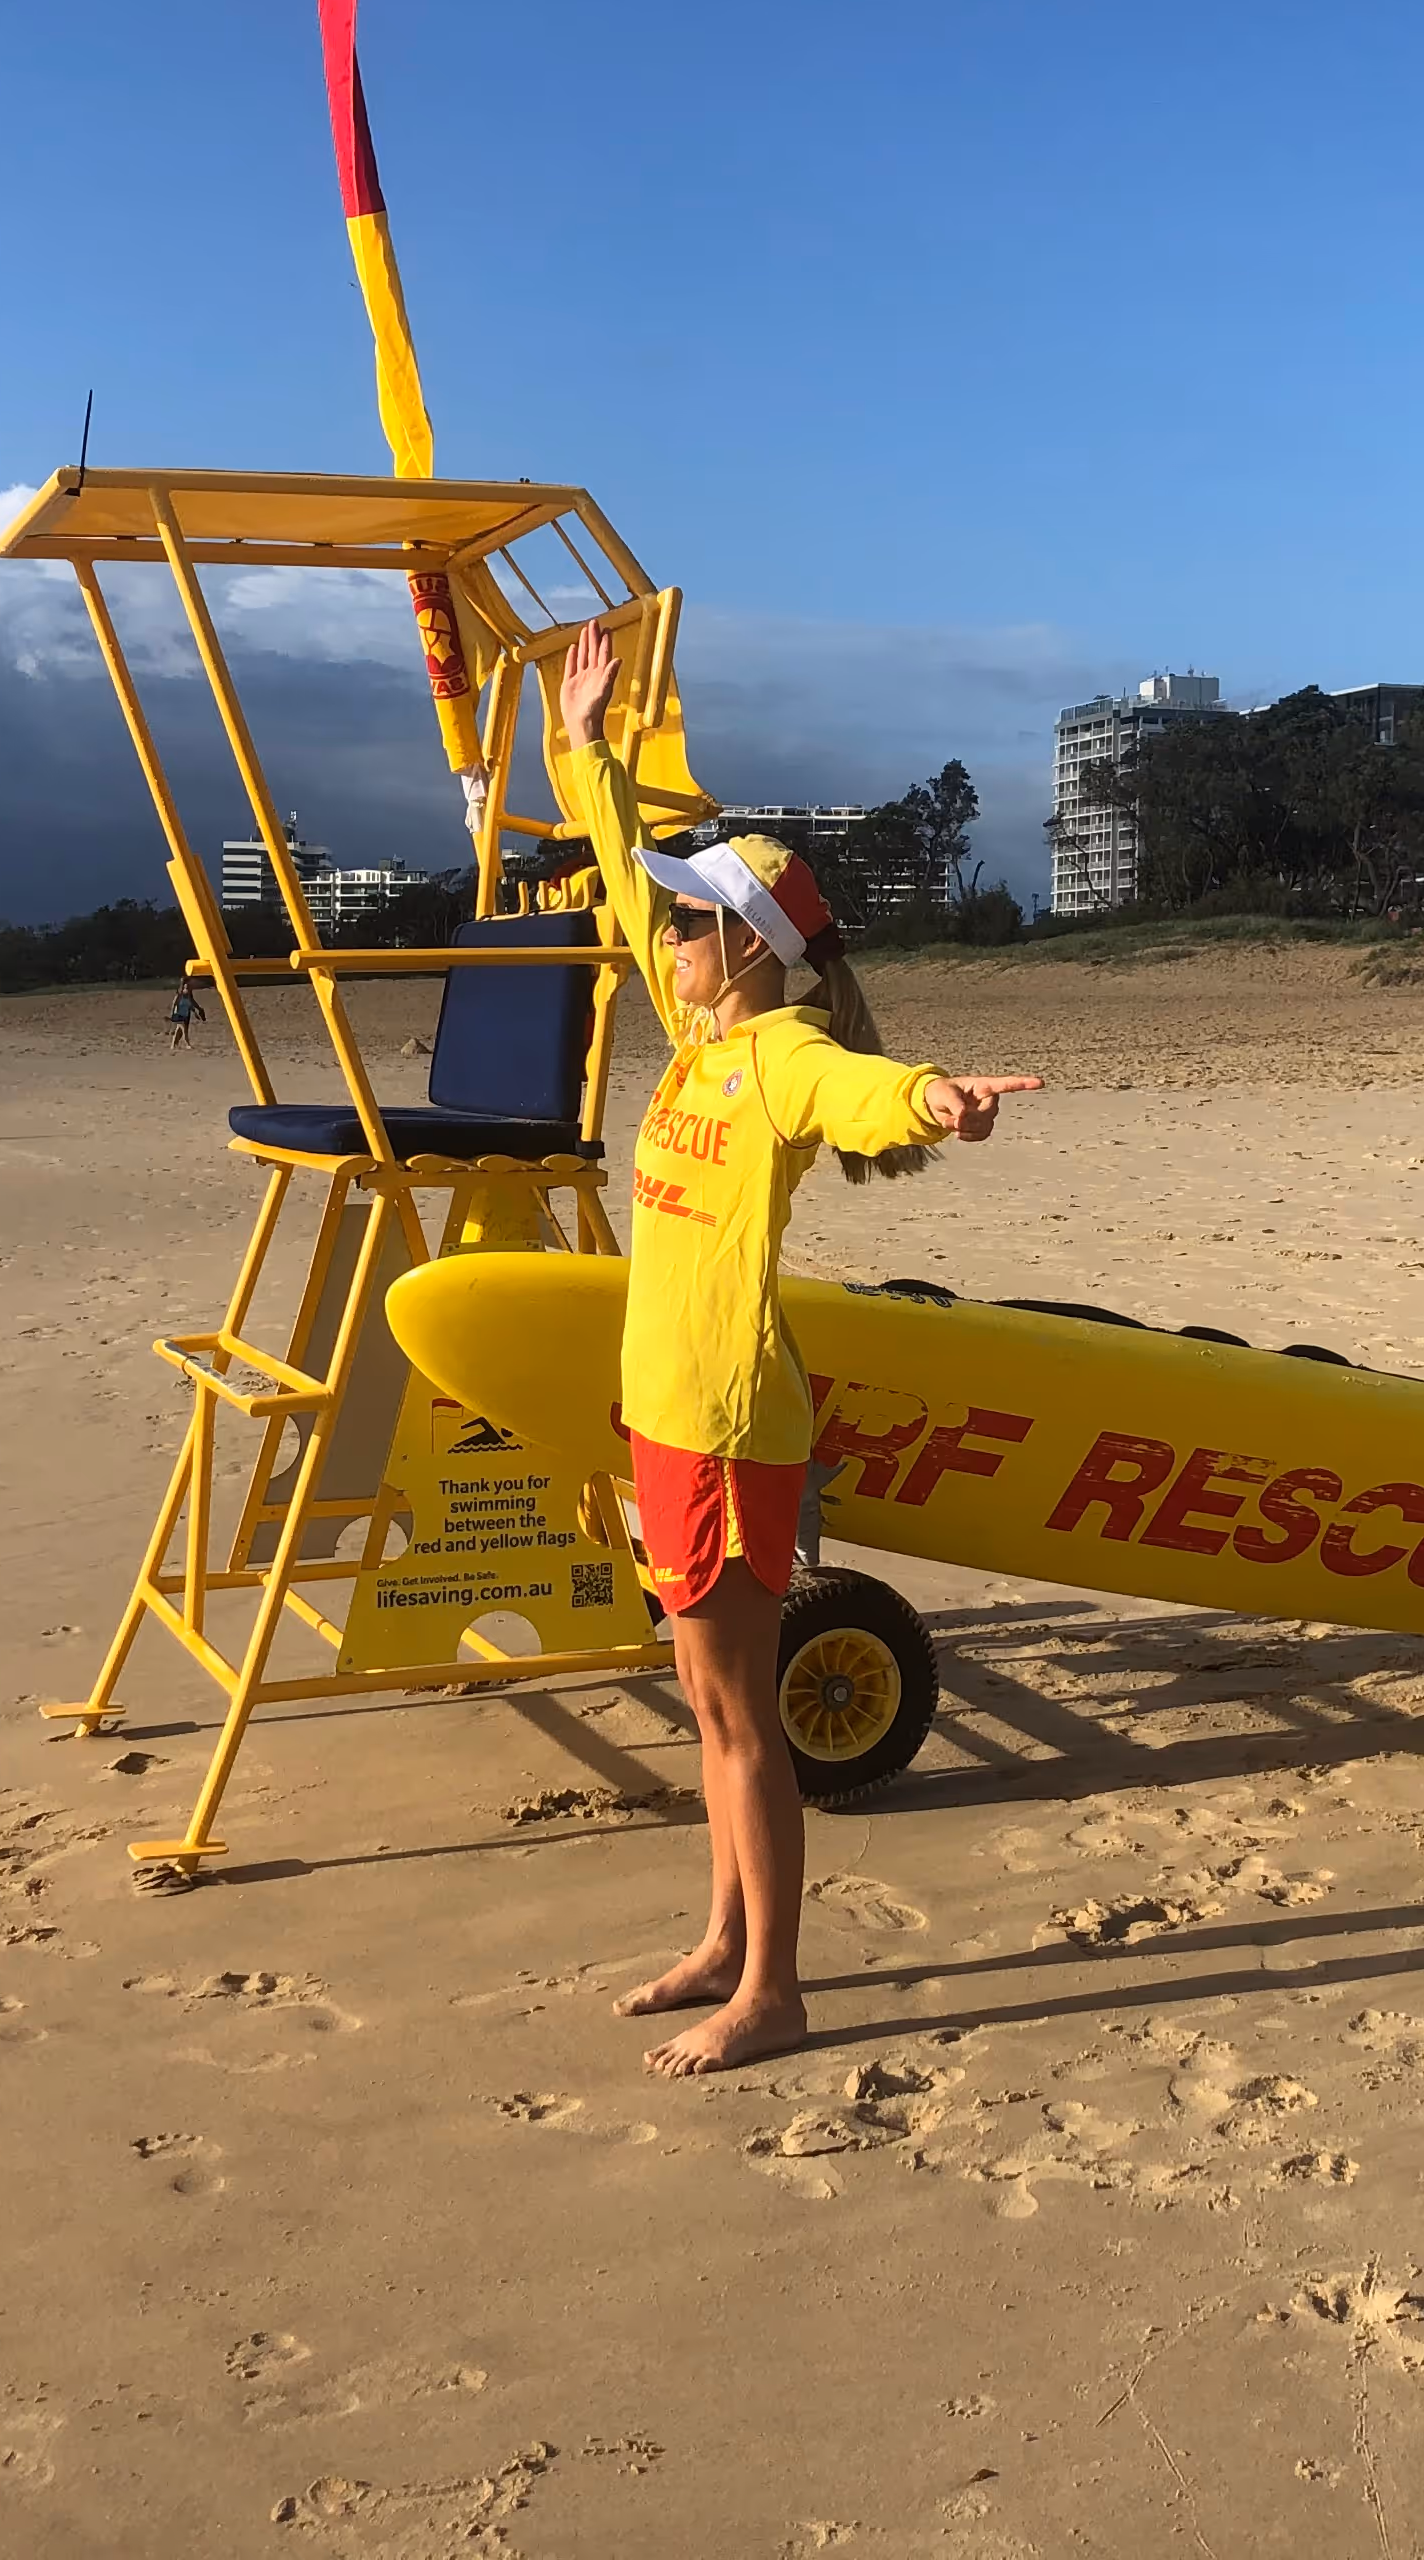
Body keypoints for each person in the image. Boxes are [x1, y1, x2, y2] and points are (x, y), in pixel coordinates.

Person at [546, 621, 1039, 2078]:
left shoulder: (781, 1055)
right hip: (664, 1411)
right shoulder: (698, 1033)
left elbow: (869, 1092)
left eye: (697, 922)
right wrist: (586, 751)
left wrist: (940, 1101)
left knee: (741, 1714)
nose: (674, 935)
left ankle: (774, 1989)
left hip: (729, 1421)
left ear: (748, 948)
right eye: (678, 922)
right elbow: (628, 886)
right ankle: (719, 1938)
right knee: (705, 1702)